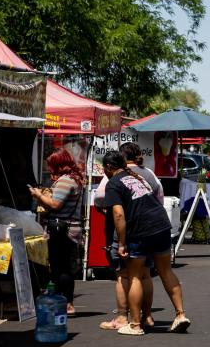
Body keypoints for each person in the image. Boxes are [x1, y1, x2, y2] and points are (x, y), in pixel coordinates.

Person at [102, 150, 190, 336]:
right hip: (161, 224)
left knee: (134, 275)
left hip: (141, 230)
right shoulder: (137, 177)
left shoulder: (114, 184)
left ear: (109, 167)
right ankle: (180, 315)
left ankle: (134, 325)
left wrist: (122, 243)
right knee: (165, 271)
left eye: (104, 168)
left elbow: (118, 215)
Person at [95, 142, 164, 331]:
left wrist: (121, 241)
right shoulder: (148, 174)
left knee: (124, 275)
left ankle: (123, 318)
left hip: (125, 230)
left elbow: (101, 198)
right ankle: (147, 316)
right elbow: (158, 197)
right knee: (146, 274)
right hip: (151, 228)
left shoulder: (114, 180)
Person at [30, 149, 85, 315]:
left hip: (62, 229)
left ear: (58, 164)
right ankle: (66, 302)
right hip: (69, 227)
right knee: (64, 267)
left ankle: (66, 303)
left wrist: (38, 195)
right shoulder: (75, 179)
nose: (49, 168)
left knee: (60, 267)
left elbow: (55, 205)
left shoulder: (65, 181)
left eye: (51, 165)